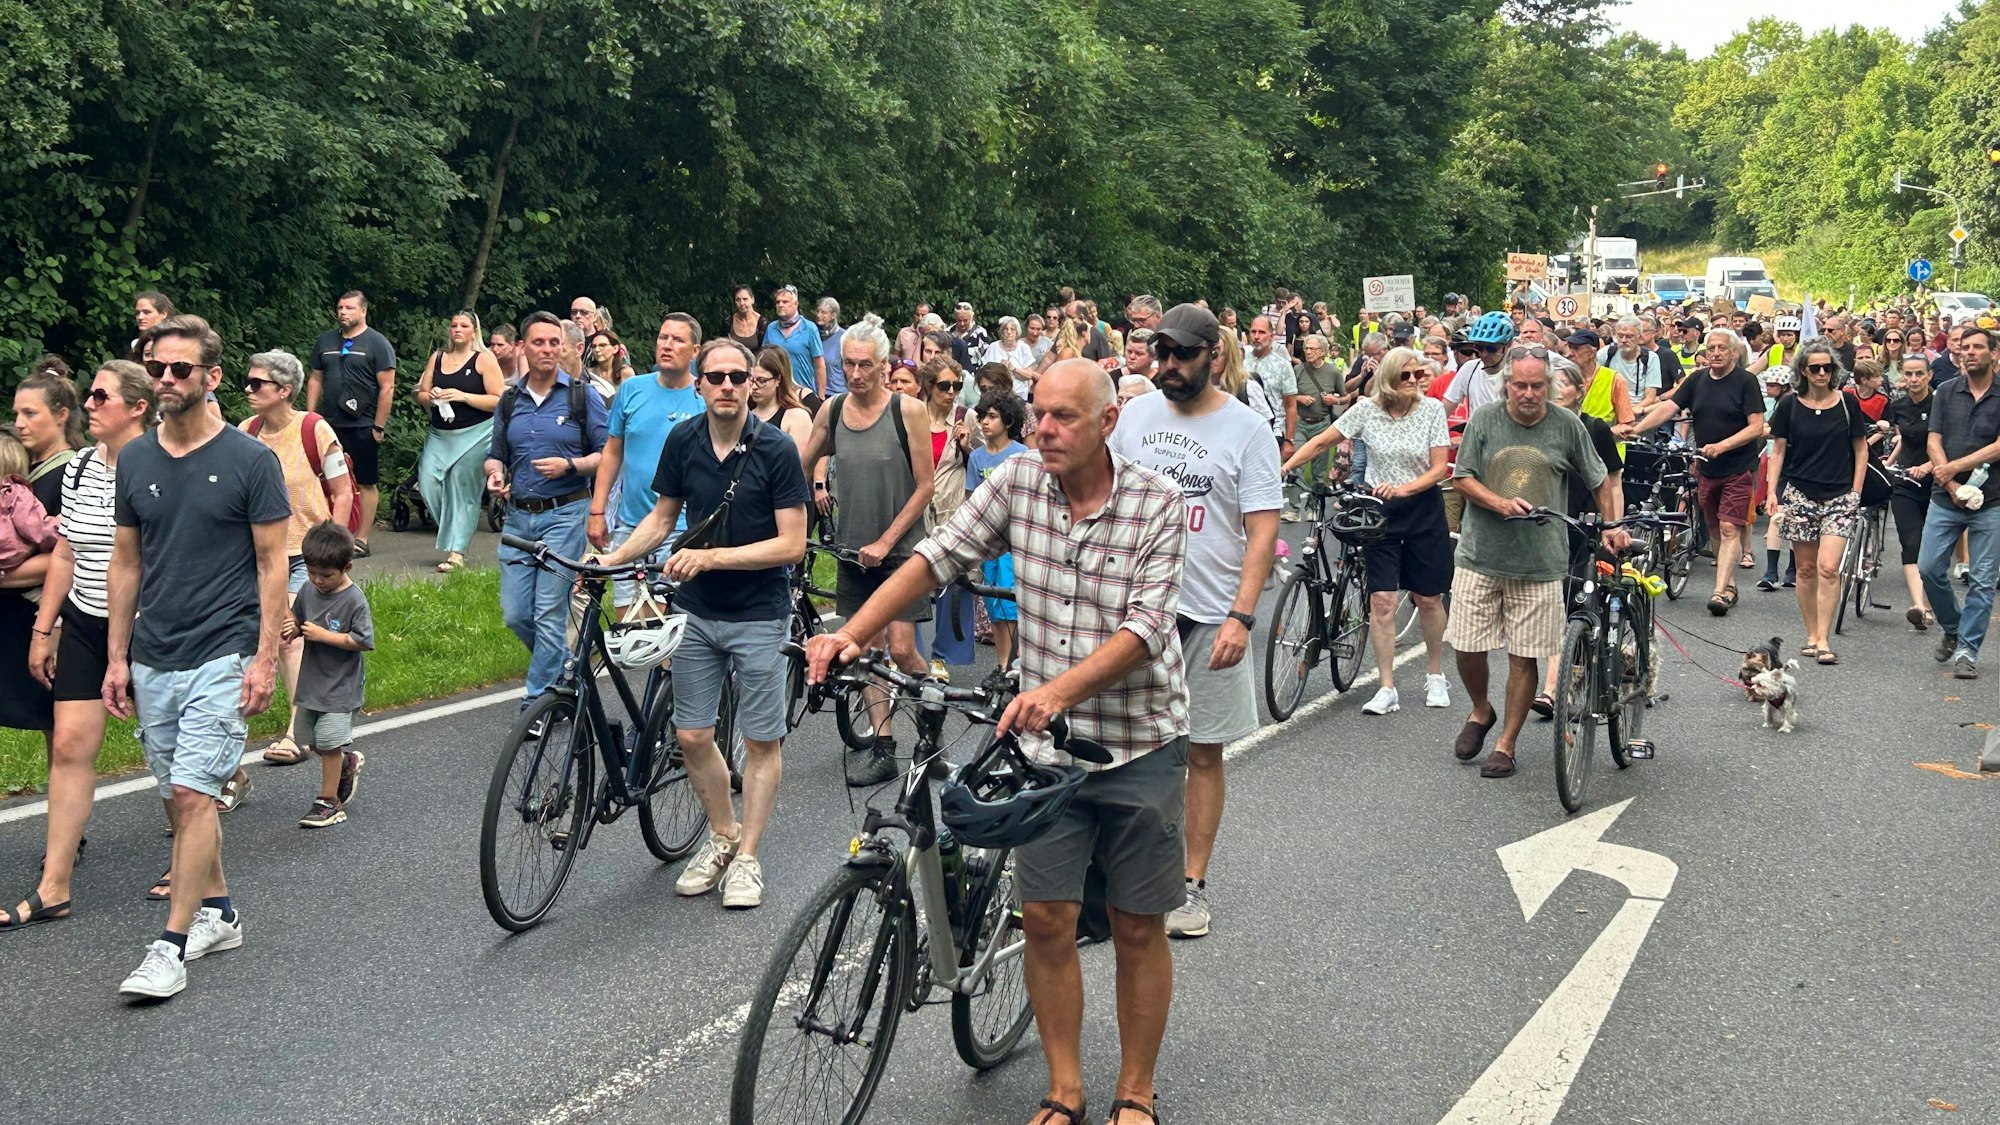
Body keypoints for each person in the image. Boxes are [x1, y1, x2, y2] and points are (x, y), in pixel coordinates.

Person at [804, 357, 1188, 1125]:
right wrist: (851, 632)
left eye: (1063, 417)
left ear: (1108, 422)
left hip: (1138, 741)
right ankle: (1065, 1088)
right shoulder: (1015, 484)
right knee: (1045, 918)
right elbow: (935, 558)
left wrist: (1055, 689)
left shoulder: (1157, 501)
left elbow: (1146, 628)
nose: (1041, 428)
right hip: (1043, 754)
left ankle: (1137, 1091)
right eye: (1037, 412)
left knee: (1138, 924)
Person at [109, 314, 292, 999]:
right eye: (157, 368)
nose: (164, 380)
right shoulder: (135, 458)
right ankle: (220, 911)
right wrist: (116, 656)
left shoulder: (250, 461)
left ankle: (171, 943)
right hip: (156, 650)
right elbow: (125, 563)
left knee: (193, 793)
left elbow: (274, 565)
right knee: (178, 799)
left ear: (212, 377)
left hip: (225, 645)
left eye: (180, 369)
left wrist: (264, 658)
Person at [595, 338, 809, 909]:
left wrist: (711, 557)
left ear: (752, 385)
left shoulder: (777, 450)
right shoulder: (683, 440)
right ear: (700, 385)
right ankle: (722, 835)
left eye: (738, 378)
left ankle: (749, 858)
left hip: (760, 612)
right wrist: (611, 560)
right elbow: (662, 518)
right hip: (697, 609)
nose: (727, 387)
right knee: (691, 735)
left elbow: (793, 544)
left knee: (759, 741)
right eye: (716, 378)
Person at [1110, 303, 1278, 941]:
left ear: (1214, 354)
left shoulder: (1247, 430)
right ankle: (1120, 871)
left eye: (1182, 355)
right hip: (1134, 608)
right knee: (1124, 742)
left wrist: (1242, 614)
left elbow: (1262, 529)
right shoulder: (1135, 416)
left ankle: (1190, 883)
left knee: (1201, 751)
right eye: (1163, 354)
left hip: (1209, 613)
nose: (1169, 367)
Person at [7, 362, 158, 931]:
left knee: (162, 750)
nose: (88, 404)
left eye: (100, 396)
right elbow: (67, 554)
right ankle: (55, 888)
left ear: (138, 407)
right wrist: (44, 629)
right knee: (69, 745)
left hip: (151, 625)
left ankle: (194, 868)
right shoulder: (81, 470)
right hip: (86, 620)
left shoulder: (160, 465)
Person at [1445, 349, 1623, 780]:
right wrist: (1500, 503)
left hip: (1541, 561)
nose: (1528, 394)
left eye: (1537, 386)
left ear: (1550, 386)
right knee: (1466, 645)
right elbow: (1463, 476)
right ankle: (1481, 710)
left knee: (1524, 657)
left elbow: (1599, 477)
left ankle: (1506, 744)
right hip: (1480, 554)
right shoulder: (1485, 420)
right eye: (1520, 385)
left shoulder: (1567, 426)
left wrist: (1612, 526)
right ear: (1506, 384)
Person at [800, 319, 935, 786]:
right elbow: (800, 463)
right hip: (853, 551)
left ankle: (932, 721)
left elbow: (925, 487)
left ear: (883, 366)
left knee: (901, 648)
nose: (855, 374)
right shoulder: (834, 410)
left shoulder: (907, 410)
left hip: (901, 552)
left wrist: (887, 541)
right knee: (866, 651)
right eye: (848, 364)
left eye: (864, 365)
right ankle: (885, 747)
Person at [1284, 347, 1452, 716]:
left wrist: (1406, 488)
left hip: (1422, 508)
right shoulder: (1366, 410)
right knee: (1382, 600)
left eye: (1418, 375)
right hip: (1379, 512)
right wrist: (1286, 467)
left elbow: (1439, 467)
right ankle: (1386, 686)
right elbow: (1322, 441)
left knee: (1428, 598)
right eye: (1405, 375)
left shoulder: (1431, 410)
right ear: (1389, 378)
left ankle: (1436, 673)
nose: (1414, 381)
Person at [485, 312, 609, 720]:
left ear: (564, 347)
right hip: (519, 518)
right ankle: (565, 673)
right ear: (522, 347)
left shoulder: (580, 395)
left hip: (565, 512)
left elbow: (607, 455)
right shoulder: (508, 399)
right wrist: (495, 475)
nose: (547, 350)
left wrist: (570, 466)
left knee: (549, 611)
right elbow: (495, 455)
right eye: (539, 343)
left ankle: (536, 705)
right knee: (516, 613)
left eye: (554, 343)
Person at [239, 349, 356, 780]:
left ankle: (294, 733)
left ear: (284, 390)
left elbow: (342, 491)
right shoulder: (245, 432)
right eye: (248, 382)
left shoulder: (314, 428)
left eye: (258, 384)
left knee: (289, 635)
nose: (248, 390)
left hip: (309, 552)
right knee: (260, 636)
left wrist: (335, 548)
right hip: (260, 553)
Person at [1630, 328, 1766, 616]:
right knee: (1715, 526)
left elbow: (1756, 427)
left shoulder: (1746, 381)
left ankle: (1719, 592)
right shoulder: (1697, 379)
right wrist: (1635, 429)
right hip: (1705, 465)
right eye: (1711, 348)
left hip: (1739, 466)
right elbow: (1669, 407)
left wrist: (1723, 445)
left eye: (1721, 348)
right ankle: (1728, 583)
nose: (1715, 353)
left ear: (1733, 353)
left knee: (1730, 526)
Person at [1529, 356, 1627, 717]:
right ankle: (1563, 677)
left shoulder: (1594, 429)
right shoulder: (1535, 429)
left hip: (1583, 527)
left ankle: (1553, 688)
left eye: (1562, 385)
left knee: (1573, 606)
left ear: (1579, 391)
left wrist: (1613, 524)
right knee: (1550, 608)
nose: (1554, 391)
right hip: (1542, 526)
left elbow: (1612, 481)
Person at [588, 313, 704, 616]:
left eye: (677, 340)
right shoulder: (632, 389)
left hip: (681, 528)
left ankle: (665, 667)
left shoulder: (704, 398)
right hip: (630, 522)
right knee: (627, 619)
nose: (667, 345)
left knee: (668, 622)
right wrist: (598, 511)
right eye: (663, 337)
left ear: (695, 352)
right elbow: (612, 452)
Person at [1764, 338, 1869, 664]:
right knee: (1806, 569)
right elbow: (1778, 450)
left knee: (1828, 568)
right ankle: (1811, 634)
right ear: (1803, 372)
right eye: (1815, 368)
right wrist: (1772, 492)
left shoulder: (1847, 404)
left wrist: (1855, 492)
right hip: (1800, 495)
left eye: (1827, 367)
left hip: (1839, 496)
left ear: (1834, 370)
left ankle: (1824, 639)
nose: (1822, 372)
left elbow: (1861, 449)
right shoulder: (1790, 406)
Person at [3, 372, 84, 748]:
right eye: (17, 414)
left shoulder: (74, 471)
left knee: (62, 731)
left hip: (54, 621)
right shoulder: (19, 474)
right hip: (17, 618)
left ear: (61, 415)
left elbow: (68, 556)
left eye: (30, 414)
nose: (19, 424)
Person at [1920, 325, 2000, 680]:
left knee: (1983, 580)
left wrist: (1957, 466)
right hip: (1945, 497)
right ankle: (1952, 626)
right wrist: (1951, 482)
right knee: (1928, 568)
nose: (1969, 352)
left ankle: (1967, 649)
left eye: (1977, 347)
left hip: (1993, 500)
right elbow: (1933, 441)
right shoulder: (1946, 391)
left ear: (1994, 354)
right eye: (1965, 347)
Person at [286, 522, 373, 828]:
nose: (318, 581)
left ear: (347, 566)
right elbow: (298, 619)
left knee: (329, 740)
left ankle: (329, 802)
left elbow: (362, 641)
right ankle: (346, 763)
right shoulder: (309, 591)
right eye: (312, 573)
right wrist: (293, 629)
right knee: (313, 741)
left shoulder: (354, 600)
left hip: (341, 686)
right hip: (313, 681)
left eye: (326, 575)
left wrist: (324, 636)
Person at [415, 311, 506, 573]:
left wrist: (464, 396)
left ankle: (456, 552)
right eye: (454, 325)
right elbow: (420, 394)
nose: (457, 330)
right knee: (428, 481)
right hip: (440, 433)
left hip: (476, 432)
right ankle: (454, 530)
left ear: (474, 332)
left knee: (462, 486)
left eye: (463, 326)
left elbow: (499, 399)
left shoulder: (484, 360)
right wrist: (431, 396)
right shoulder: (438, 357)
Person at [306, 291, 395, 556]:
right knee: (326, 478)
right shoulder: (326, 341)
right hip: (328, 423)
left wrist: (378, 426)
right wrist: (310, 417)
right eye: (340, 307)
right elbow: (315, 379)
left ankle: (362, 538)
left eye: (350, 308)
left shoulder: (377, 343)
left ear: (363, 311)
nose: (343, 312)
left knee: (365, 480)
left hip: (363, 424)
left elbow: (387, 387)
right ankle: (329, 533)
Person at [918, 356, 975, 677]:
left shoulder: (967, 418)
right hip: (916, 509)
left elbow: (983, 460)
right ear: (928, 386)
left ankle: (941, 655)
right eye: (944, 386)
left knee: (953, 585)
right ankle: (906, 652)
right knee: (908, 581)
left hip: (952, 510)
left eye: (957, 385)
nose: (951, 392)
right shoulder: (911, 415)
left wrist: (967, 445)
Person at [965, 392, 1029, 670]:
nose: (985, 423)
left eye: (992, 416)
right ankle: (1002, 665)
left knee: (1011, 606)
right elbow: (971, 499)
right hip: (988, 541)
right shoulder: (976, 458)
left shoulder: (1021, 454)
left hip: (1014, 542)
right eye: (982, 417)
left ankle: (1017, 664)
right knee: (993, 605)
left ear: (1008, 419)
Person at [1887, 353, 1937, 629]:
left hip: (1937, 482)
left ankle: (1929, 603)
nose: (1914, 379)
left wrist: (1930, 466)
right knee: (1911, 541)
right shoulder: (1900, 406)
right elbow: (1904, 440)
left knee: (1933, 549)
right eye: (1909, 374)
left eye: (1919, 374)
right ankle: (1919, 606)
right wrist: (1889, 464)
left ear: (1929, 375)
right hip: (1905, 482)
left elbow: (1949, 442)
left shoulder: (1940, 403)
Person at [763, 284, 827, 402]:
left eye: (785, 302)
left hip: (802, 393)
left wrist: (821, 396)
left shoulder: (809, 328)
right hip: (776, 394)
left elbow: (819, 364)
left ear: (796, 304)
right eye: (778, 302)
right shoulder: (771, 328)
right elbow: (764, 360)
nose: (780, 305)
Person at [748, 346, 815, 458]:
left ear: (778, 379)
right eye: (751, 379)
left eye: (761, 381)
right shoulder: (743, 414)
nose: (754, 387)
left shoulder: (797, 417)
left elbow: (801, 468)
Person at [982, 316, 1038, 401]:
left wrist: (1013, 368)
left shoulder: (1024, 348)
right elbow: (985, 370)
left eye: (1012, 329)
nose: (1009, 332)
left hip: (1018, 394)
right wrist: (999, 369)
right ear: (1002, 332)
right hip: (996, 393)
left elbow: (1029, 375)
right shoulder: (993, 347)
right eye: (1006, 329)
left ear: (1017, 332)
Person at [583, 328, 635, 400]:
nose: (597, 350)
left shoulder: (625, 372)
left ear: (615, 348)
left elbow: (632, 399)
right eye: (594, 346)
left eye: (602, 345)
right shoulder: (588, 373)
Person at [814, 296, 847, 395]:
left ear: (833, 315)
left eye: (823, 312)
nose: (819, 315)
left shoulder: (844, 337)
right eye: (818, 311)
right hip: (815, 392)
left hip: (837, 392)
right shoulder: (812, 334)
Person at [726, 286, 765, 353]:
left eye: (745, 299)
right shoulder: (728, 322)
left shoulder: (763, 323)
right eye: (738, 300)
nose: (742, 303)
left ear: (752, 300)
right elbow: (722, 347)